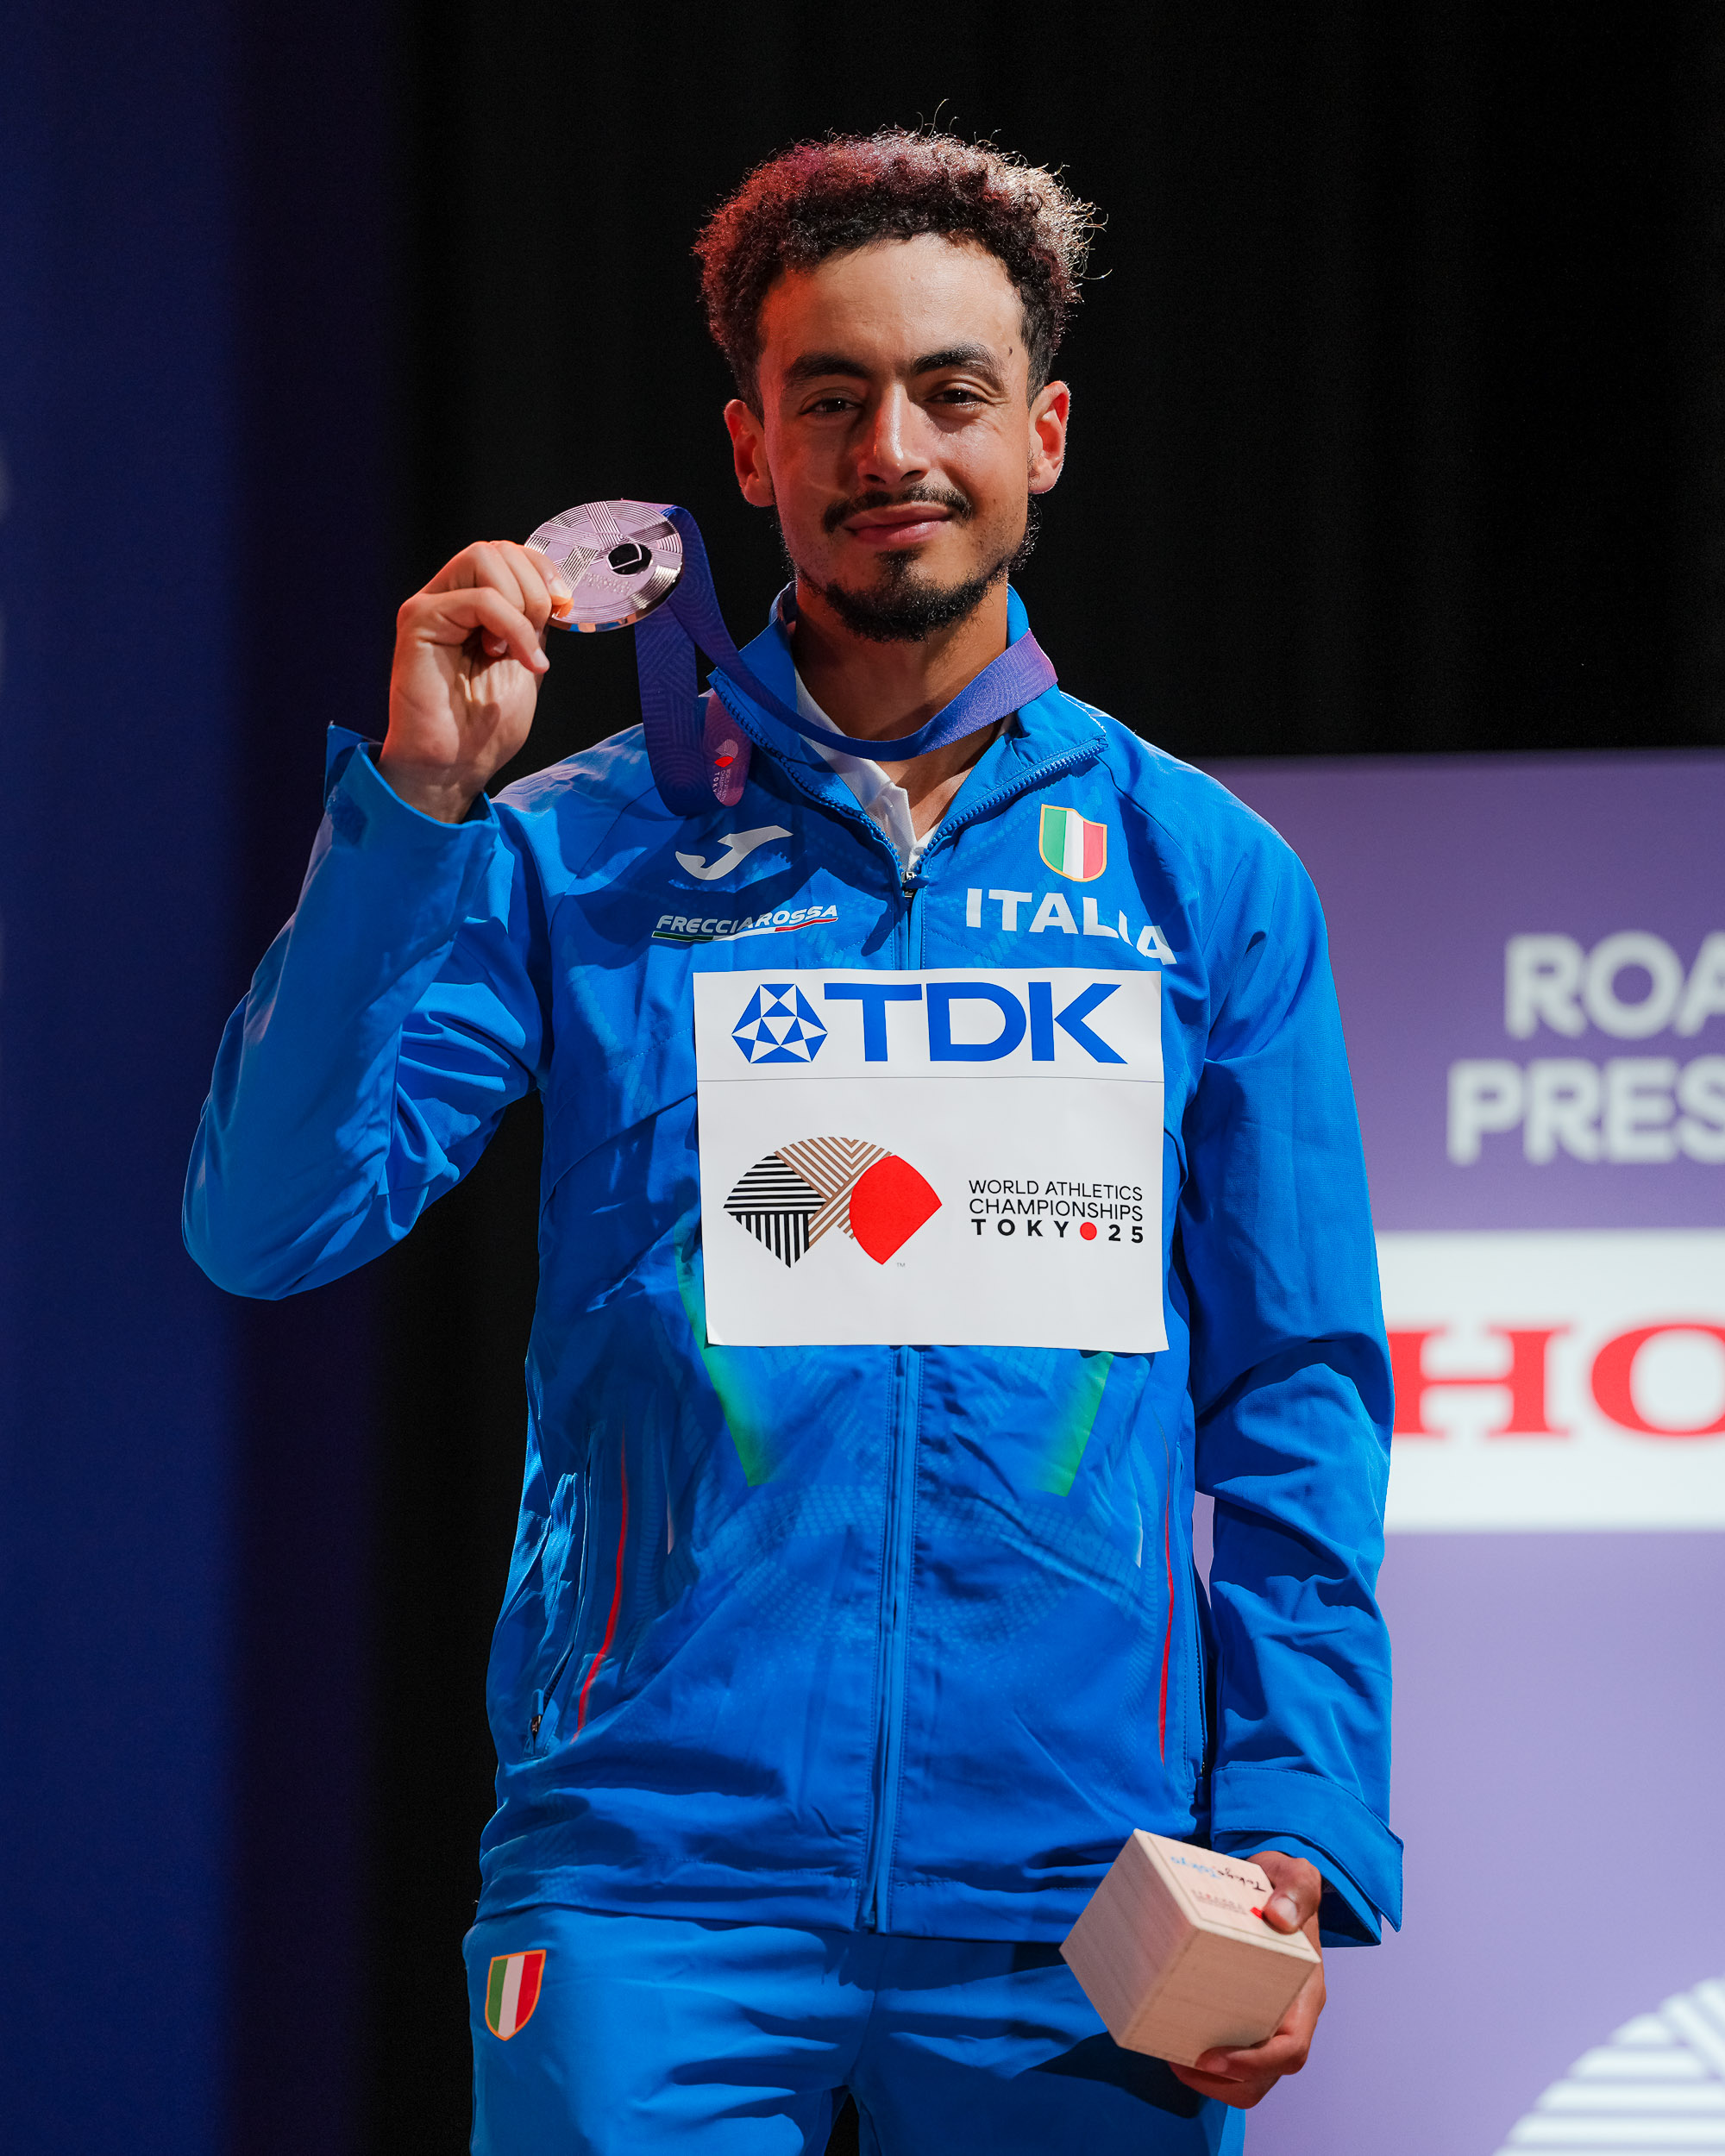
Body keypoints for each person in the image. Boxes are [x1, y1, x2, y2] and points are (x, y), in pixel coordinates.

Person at [185, 128, 1399, 2155]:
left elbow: (1296, 1392)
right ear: (749, 451)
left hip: (1084, 1889)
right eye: (828, 398)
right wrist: (412, 811)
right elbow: (270, 1220)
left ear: (1045, 434)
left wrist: (1295, 1812)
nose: (889, 448)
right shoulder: (577, 844)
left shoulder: (1206, 874)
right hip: (648, 1868)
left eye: (949, 392)